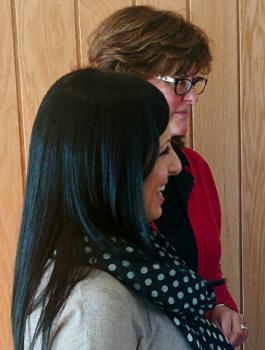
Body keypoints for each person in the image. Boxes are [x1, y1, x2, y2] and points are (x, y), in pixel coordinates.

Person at [11, 68, 234, 350]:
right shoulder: (94, 307)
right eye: (164, 150)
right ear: (113, 168)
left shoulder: (128, 265)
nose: (176, 166)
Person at [87, 6, 247, 346]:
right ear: (127, 83)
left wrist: (220, 308)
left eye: (194, 82)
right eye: (179, 83)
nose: (192, 97)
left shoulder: (195, 169)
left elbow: (209, 275)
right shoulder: (91, 184)